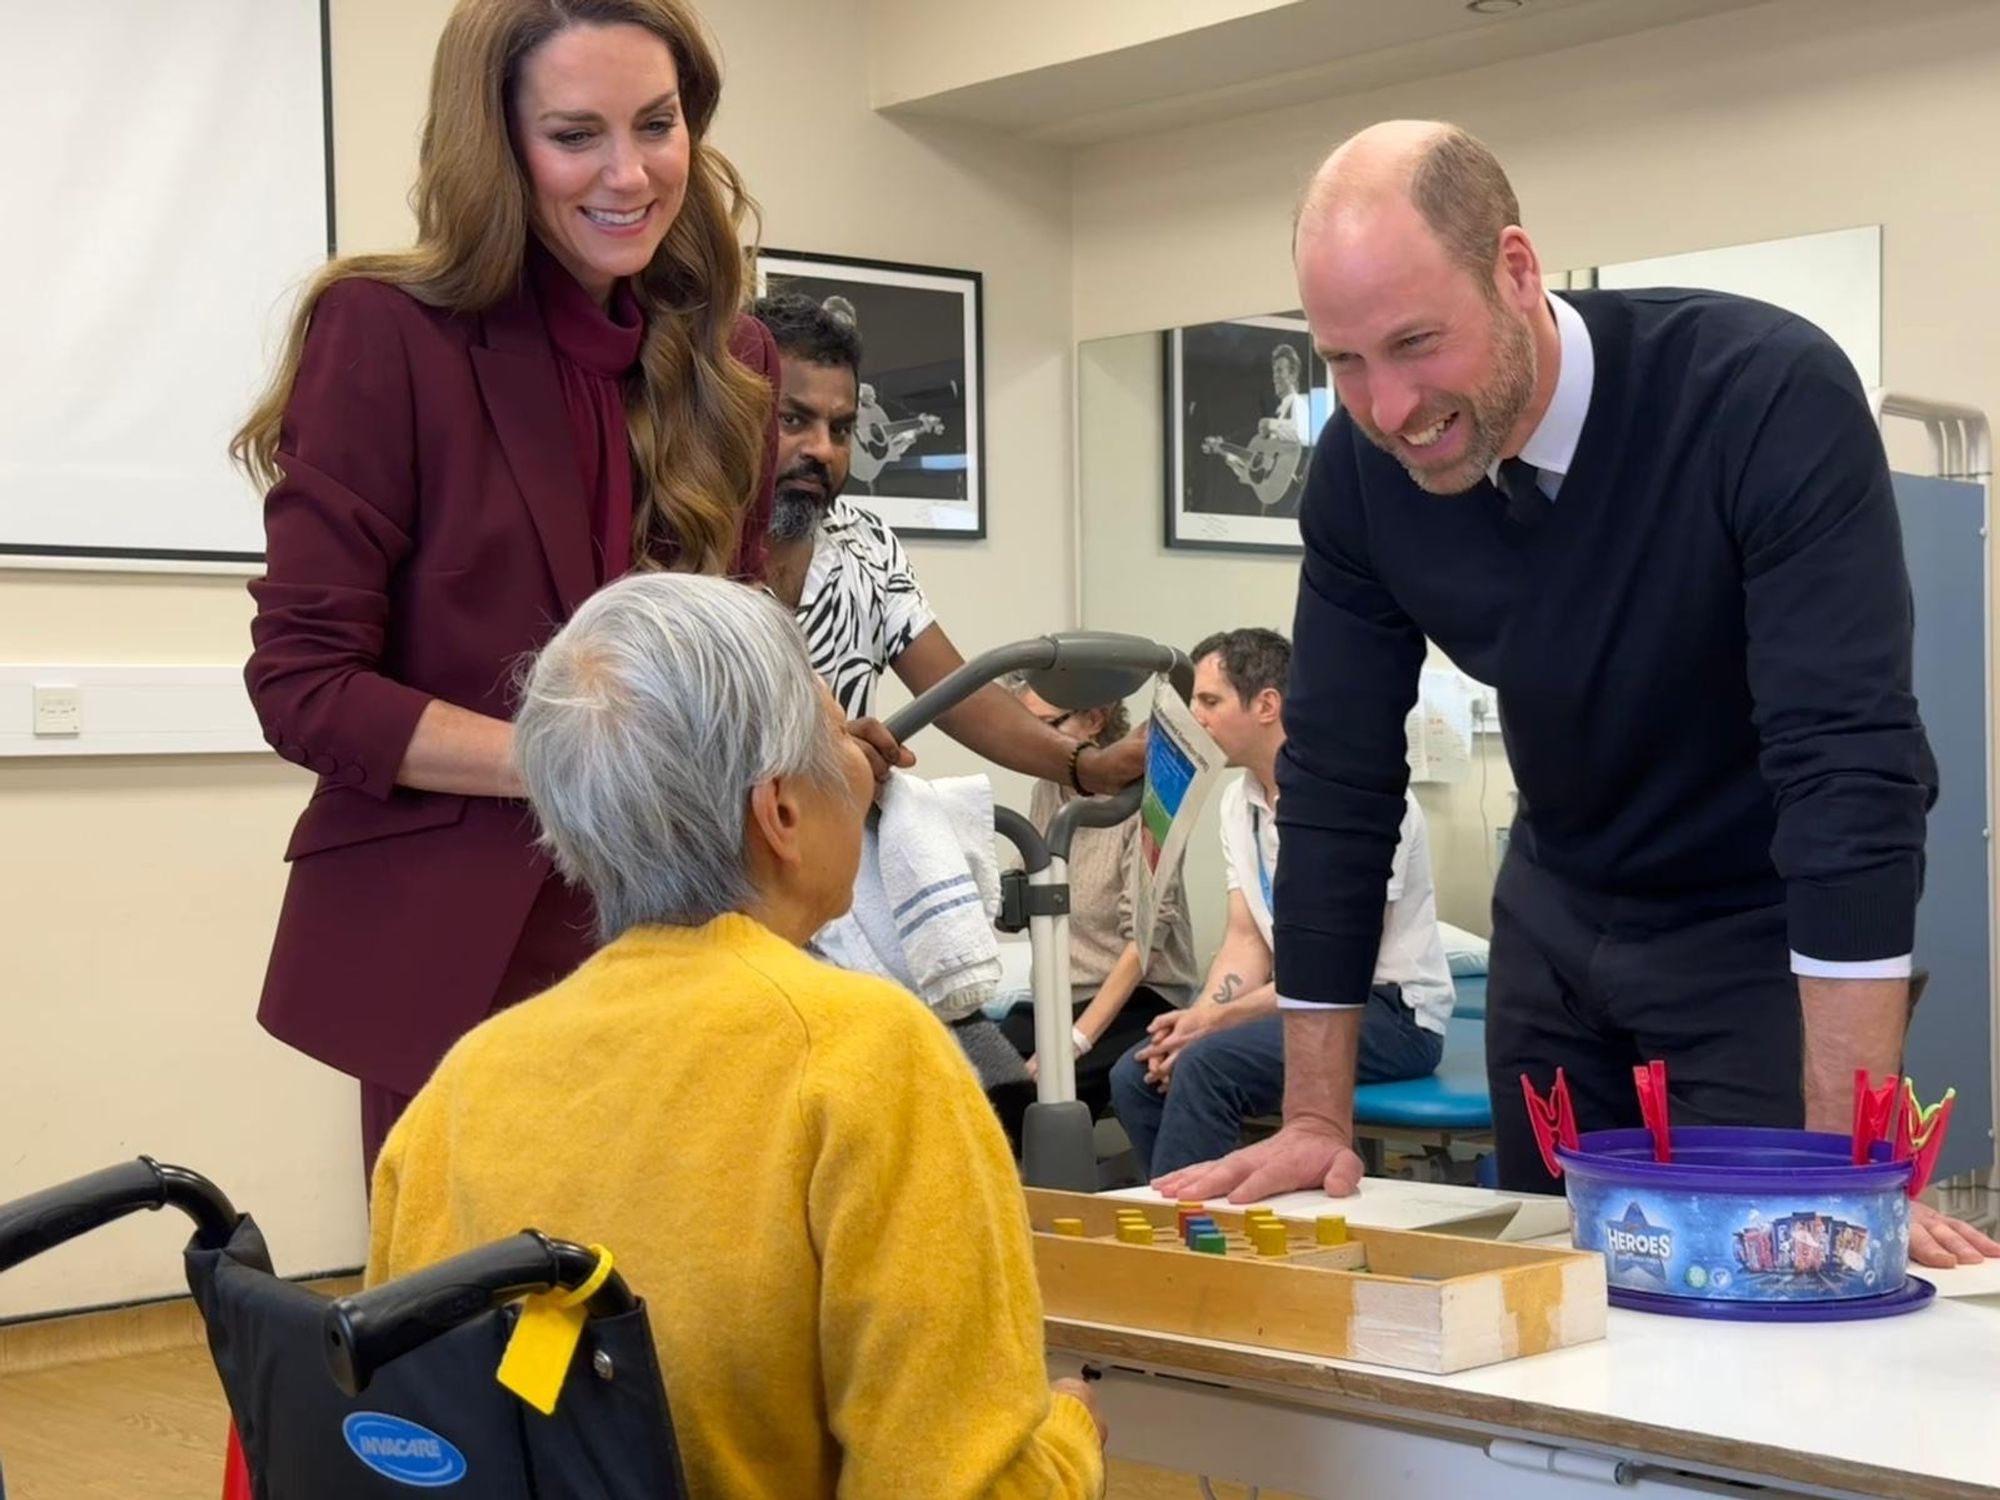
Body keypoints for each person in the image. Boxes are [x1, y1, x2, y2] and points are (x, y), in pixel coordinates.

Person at [1159, 121, 1997, 1269]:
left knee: (1776, 1285)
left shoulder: (1758, 396)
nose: (1388, 405)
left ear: (1515, 271)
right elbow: (1337, 778)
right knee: (1558, 1302)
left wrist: (1846, 1155)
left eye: (1414, 342)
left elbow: (1846, 765)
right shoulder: (1363, 472)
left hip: (1754, 931)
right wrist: (1313, 1116)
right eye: (1342, 361)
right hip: (1557, 924)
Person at [366, 573, 1106, 1498]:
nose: (873, 763)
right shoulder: (871, 1056)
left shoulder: (464, 1083)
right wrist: (1072, 1437)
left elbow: (411, 1436)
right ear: (781, 813)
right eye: (842, 734)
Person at [235, 0, 780, 1178]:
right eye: (575, 134)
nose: (629, 173)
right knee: (478, 1331)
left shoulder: (734, 366)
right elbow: (306, 687)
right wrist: (569, 766)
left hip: (679, 937)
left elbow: (728, 647)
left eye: (658, 123)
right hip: (456, 956)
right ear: (497, 145)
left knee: (674, 1321)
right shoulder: (384, 334)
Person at [748, 291, 1147, 792]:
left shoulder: (865, 544)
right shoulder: (671, 547)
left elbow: (957, 694)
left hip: (825, 852)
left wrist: (1088, 766)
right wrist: (817, 750)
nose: (824, 450)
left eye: (842, 429)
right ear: (734, 411)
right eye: (793, 420)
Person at [1112, 629, 1449, 1177]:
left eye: (1210, 701)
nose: (1195, 715)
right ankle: (1194, 1225)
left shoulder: (1355, 799)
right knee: (1139, 1072)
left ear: (1266, 704)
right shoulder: (1236, 803)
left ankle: (1194, 1244)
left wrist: (1216, 1023)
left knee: (1204, 1066)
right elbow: (1246, 939)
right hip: (1298, 999)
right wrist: (1198, 1017)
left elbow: (1348, 967)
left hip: (1387, 1012)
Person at [986, 676, 1200, 1144]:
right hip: (1059, 995)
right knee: (971, 1081)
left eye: (1046, 725)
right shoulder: (1049, 787)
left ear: (1095, 720)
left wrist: (1076, 1041)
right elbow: (1024, 877)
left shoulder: (1147, 797)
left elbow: (1142, 944)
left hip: (1139, 996)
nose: (1034, 741)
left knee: (1037, 1096)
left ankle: (1063, 1202)